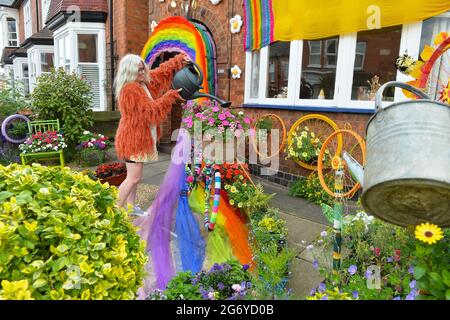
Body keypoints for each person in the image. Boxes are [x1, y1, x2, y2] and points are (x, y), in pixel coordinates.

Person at [114, 53, 188, 209]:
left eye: (143, 69)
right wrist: (171, 96)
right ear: (129, 72)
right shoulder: (130, 89)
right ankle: (113, 211)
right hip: (133, 140)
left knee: (133, 177)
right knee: (133, 178)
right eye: (138, 71)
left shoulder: (142, 83)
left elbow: (161, 73)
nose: (143, 73)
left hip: (137, 138)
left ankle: (130, 208)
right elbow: (150, 111)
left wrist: (178, 60)